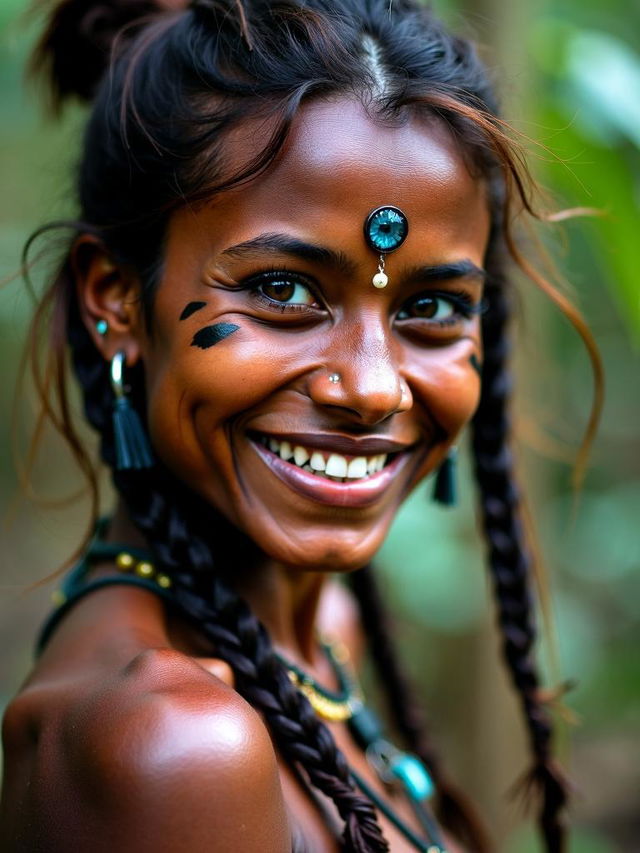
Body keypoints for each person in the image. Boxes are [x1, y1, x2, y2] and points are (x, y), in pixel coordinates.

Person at [0, 0, 599, 850]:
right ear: (116, 300)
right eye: (283, 290)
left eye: (430, 307)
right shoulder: (175, 744)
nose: (373, 386)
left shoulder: (321, 636)